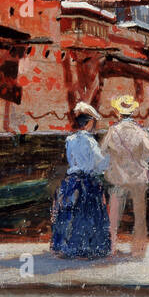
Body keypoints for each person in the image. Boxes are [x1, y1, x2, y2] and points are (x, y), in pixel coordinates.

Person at [50, 103, 110, 259]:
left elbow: (73, 160)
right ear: (89, 122)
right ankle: (87, 249)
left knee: (70, 216)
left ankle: (66, 247)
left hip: (71, 181)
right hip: (87, 182)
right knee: (88, 216)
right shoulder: (90, 142)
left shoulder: (70, 140)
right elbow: (100, 164)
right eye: (93, 122)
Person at [100, 95, 149, 258]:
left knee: (114, 215)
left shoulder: (113, 131)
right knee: (139, 215)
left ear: (119, 113)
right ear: (132, 112)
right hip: (138, 178)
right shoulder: (140, 131)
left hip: (118, 177)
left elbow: (103, 151)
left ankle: (111, 247)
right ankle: (138, 250)